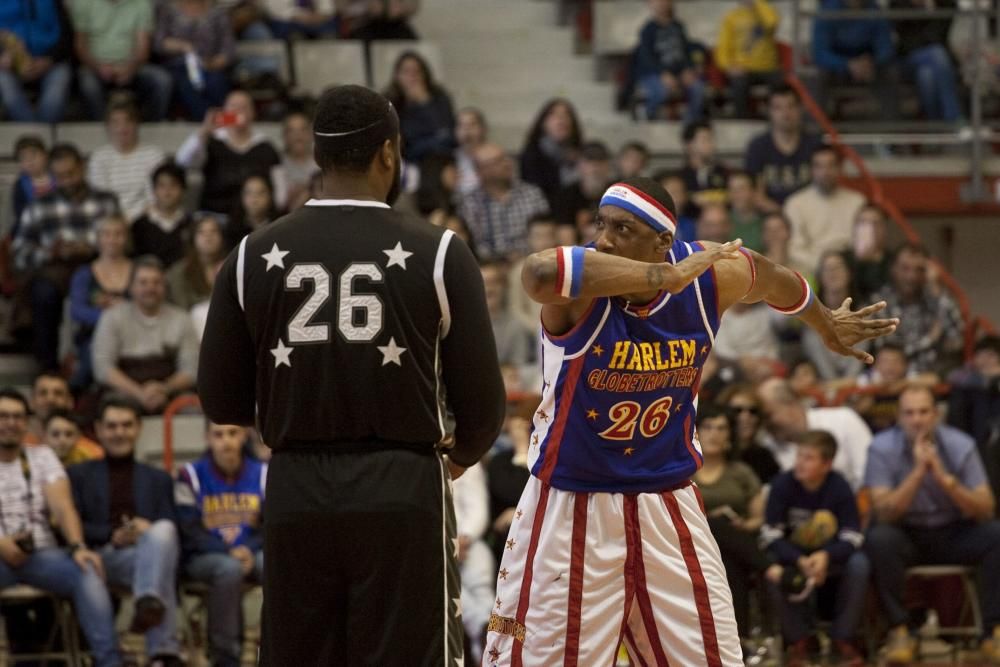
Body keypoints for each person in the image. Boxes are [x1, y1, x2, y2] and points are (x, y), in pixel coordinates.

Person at [484, 174, 896, 665]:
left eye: (623, 229)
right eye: (601, 225)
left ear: (664, 241)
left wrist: (822, 319)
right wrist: (662, 278)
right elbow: (535, 274)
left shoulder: (707, 276)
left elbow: (767, 274)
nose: (605, 240)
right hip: (574, 503)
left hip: (668, 499)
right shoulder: (582, 289)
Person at [197, 85, 507, 664]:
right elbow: (484, 406)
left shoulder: (249, 254)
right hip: (402, 486)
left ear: (316, 155)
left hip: (294, 487)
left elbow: (220, 399)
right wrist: (461, 453)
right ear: (388, 153)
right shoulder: (440, 252)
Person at [864, 384, 1000, 664]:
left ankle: (992, 632)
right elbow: (884, 512)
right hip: (907, 534)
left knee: (996, 534)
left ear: (936, 414)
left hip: (952, 532)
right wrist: (917, 473)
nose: (917, 419)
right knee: (879, 538)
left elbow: (986, 509)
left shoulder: (961, 444)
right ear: (899, 417)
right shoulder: (880, 448)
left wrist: (944, 478)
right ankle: (901, 630)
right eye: (909, 413)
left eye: (924, 412)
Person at [0, 388, 122, 667]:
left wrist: (78, 546)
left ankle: (109, 661)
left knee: (88, 569)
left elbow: (63, 507)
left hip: (41, 555)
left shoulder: (42, 456)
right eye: (3, 416)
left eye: (17, 417)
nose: (10, 422)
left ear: (28, 423)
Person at [67, 395, 182, 665]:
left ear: (139, 428)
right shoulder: (79, 475)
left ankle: (147, 603)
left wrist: (146, 529)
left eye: (126, 425)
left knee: (163, 531)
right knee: (158, 565)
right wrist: (112, 534)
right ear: (97, 429)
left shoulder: (158, 479)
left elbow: (173, 531)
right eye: (112, 426)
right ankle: (163, 653)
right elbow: (73, 527)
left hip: (147, 557)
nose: (119, 433)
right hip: (102, 558)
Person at [761, 430, 869, 666]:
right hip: (793, 558)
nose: (799, 463)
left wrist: (826, 555)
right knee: (771, 569)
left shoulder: (839, 487)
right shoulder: (782, 484)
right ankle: (800, 641)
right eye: (799, 456)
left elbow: (852, 536)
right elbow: (770, 536)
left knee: (859, 564)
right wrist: (799, 559)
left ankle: (843, 639)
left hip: (830, 558)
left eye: (808, 458)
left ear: (827, 464)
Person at [13, 143, 121, 372]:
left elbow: (123, 240)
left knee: (108, 293)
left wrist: (91, 247)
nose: (67, 181)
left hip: (98, 268)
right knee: (43, 293)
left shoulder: (106, 201)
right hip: (55, 270)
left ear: (82, 168)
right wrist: (52, 252)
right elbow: (20, 251)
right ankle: (48, 368)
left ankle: (93, 366)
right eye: (60, 176)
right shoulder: (39, 206)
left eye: (71, 174)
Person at [175, 421, 267, 667]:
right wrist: (228, 551)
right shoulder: (189, 476)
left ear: (244, 436)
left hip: (253, 551)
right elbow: (188, 529)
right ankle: (226, 657)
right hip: (204, 556)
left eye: (232, 433)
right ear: (207, 438)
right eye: (218, 434)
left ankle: (282, 645)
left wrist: (249, 548)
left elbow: (274, 524)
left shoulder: (264, 473)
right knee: (228, 569)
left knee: (275, 562)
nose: (226, 441)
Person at [692, 405, 773, 644]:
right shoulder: (684, 471)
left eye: (722, 428)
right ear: (695, 432)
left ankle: (736, 640)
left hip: (734, 544)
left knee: (727, 559)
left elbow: (758, 519)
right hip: (692, 542)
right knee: (714, 523)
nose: (714, 434)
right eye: (707, 427)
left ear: (730, 435)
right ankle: (769, 568)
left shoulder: (741, 472)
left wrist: (742, 523)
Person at [92, 256, 199, 414]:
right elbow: (103, 368)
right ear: (131, 287)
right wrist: (139, 393)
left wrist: (164, 389)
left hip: (170, 391)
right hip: (124, 392)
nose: (150, 288)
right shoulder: (112, 317)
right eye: (143, 282)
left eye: (156, 282)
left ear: (165, 286)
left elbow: (191, 369)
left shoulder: (181, 319)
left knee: (193, 410)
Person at [176, 90, 281, 216]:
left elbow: (280, 190)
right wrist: (205, 131)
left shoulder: (265, 146)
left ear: (253, 113)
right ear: (224, 111)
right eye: (233, 106)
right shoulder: (211, 141)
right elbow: (182, 161)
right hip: (215, 215)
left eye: (244, 107)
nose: (238, 111)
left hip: (253, 218)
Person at [758, 377, 873, 490]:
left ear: (791, 404)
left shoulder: (844, 420)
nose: (765, 424)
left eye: (768, 416)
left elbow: (870, 474)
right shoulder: (766, 447)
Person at [870, 242, 964, 376]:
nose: (911, 277)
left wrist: (936, 289)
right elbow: (891, 351)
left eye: (919, 270)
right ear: (893, 269)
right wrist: (930, 339)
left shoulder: (935, 299)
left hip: (933, 377)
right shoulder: (880, 301)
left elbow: (957, 340)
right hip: (895, 379)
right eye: (905, 268)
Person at [71, 0, 172, 121]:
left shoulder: (141, 3)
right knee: (88, 84)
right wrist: (98, 67)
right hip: (94, 66)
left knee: (162, 80)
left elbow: (143, 47)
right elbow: (80, 46)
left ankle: (152, 127)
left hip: (132, 66)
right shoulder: (83, 3)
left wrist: (130, 67)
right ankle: (103, 128)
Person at [68, 215, 133, 390]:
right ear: (98, 239)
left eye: (118, 234)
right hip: (93, 336)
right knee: (90, 367)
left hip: (133, 336)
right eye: (107, 234)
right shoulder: (84, 274)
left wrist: (124, 311)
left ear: (126, 238)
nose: (112, 239)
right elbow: (77, 311)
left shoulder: (138, 270)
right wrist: (111, 316)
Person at [459, 143, 550, 261]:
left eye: (506, 158)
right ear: (481, 171)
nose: (507, 163)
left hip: (529, 261)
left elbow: (546, 232)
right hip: (489, 265)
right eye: (498, 161)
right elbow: (473, 242)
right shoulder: (470, 203)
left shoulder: (532, 194)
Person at [784, 146, 866, 273]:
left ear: (839, 169)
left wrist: (843, 267)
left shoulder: (857, 201)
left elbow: (863, 245)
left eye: (830, 166)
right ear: (811, 170)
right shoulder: (795, 203)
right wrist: (825, 267)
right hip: (813, 268)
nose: (825, 172)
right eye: (819, 166)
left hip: (851, 267)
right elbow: (795, 249)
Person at [745, 83, 825, 212]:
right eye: (778, 108)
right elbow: (756, 196)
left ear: (800, 109)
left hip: (811, 216)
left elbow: (824, 189)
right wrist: (783, 215)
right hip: (770, 220)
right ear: (769, 112)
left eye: (791, 106)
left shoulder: (815, 145)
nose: (785, 113)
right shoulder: (757, 147)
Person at [812, 0, 898, 120]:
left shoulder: (875, 10)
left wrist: (872, 62)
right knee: (819, 76)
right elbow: (820, 54)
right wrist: (847, 64)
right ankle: (816, 130)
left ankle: (892, 129)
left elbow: (886, 48)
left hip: (869, 67)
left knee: (890, 73)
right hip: (838, 68)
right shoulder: (828, 11)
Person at [154, 0, 236, 121]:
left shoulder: (218, 12)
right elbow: (159, 43)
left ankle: (224, 121)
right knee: (188, 84)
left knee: (217, 82)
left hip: (209, 64)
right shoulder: (168, 10)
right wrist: (183, 46)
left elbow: (229, 50)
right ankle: (214, 122)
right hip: (179, 64)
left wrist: (213, 63)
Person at [86, 99, 166, 222]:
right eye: (116, 123)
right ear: (108, 127)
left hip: (146, 219)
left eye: (128, 122)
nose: (122, 128)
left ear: (136, 124)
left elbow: (154, 197)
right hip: (111, 222)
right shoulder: (99, 157)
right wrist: (121, 223)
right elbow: (101, 199)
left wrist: (133, 220)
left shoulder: (154, 155)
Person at [0, 0, 73, 124]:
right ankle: (36, 136)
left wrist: (48, 61)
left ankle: (36, 136)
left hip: (49, 62)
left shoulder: (53, 2)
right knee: (4, 83)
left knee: (57, 89)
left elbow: (67, 38)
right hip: (12, 65)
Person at [634, 0, 706, 122]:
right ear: (651, 5)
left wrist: (688, 69)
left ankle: (690, 120)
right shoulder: (647, 30)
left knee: (697, 87)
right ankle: (647, 112)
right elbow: (646, 58)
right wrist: (662, 74)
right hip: (654, 73)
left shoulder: (678, 27)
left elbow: (685, 51)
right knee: (660, 91)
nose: (662, 3)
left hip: (678, 72)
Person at [891, 0, 961, 122]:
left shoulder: (945, 4)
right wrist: (915, 7)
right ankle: (954, 119)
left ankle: (934, 126)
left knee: (926, 75)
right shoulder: (900, 3)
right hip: (908, 60)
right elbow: (905, 41)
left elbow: (938, 35)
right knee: (937, 53)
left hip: (936, 65)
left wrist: (930, 10)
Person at [802, 250, 865, 382]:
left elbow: (859, 363)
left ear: (849, 273)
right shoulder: (811, 316)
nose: (833, 273)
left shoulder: (864, 314)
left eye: (838, 267)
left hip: (857, 385)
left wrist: (848, 387)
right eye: (827, 269)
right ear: (820, 277)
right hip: (825, 386)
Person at [384, 51, 457, 164]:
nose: (412, 77)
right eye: (406, 72)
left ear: (425, 75)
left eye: (417, 71)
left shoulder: (440, 99)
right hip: (407, 164)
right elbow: (403, 148)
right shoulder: (391, 104)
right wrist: (433, 141)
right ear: (397, 76)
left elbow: (448, 136)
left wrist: (424, 102)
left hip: (440, 159)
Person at [714, 0, 783, 118]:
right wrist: (729, 66)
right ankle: (742, 120)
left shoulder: (767, 12)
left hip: (768, 67)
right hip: (742, 68)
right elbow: (722, 48)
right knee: (738, 81)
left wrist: (758, 2)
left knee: (779, 80)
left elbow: (772, 23)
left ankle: (776, 116)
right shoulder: (731, 17)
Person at [519, 98, 583, 206]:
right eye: (554, 114)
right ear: (543, 123)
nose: (561, 119)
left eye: (567, 114)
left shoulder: (581, 155)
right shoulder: (531, 156)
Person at [131, 162, 194, 267]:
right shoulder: (139, 225)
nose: (167, 191)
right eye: (162, 185)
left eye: (173, 185)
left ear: (183, 190)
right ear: (154, 190)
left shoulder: (191, 224)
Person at [719, 383, 781, 484]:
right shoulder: (711, 453)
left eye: (753, 411)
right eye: (737, 410)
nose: (745, 417)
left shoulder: (765, 458)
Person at [167, 214, 226, 310]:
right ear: (193, 238)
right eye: (201, 232)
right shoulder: (180, 271)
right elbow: (181, 307)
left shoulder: (232, 267)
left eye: (214, 231)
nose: (208, 236)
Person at [552, 141, 614, 231]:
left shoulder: (618, 194)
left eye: (600, 162)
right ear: (580, 165)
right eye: (589, 162)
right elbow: (564, 235)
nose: (595, 168)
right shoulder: (566, 195)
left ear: (608, 166)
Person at [271, 111, 319, 211]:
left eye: (303, 130)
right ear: (284, 136)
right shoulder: (276, 163)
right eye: (291, 131)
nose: (298, 136)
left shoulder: (323, 162)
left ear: (311, 133)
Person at [681, 121, 729, 215]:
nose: (711, 145)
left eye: (711, 139)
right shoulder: (679, 178)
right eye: (705, 139)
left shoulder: (725, 172)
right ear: (689, 145)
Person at [10, 136, 53, 229]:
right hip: (31, 225)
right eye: (23, 158)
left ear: (45, 156)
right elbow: (20, 213)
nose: (29, 161)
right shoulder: (20, 185)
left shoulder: (58, 177)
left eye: (33, 155)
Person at [851, 203, 892, 299]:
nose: (870, 229)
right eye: (863, 223)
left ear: (884, 229)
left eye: (875, 224)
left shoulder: (895, 262)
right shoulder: (843, 260)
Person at [227, 175, 277, 247]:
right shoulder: (232, 229)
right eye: (249, 193)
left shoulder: (279, 226)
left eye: (260, 193)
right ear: (241, 197)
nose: (254, 199)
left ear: (270, 196)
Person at [336, 0, 419, 41]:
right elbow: (341, 8)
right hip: (365, 26)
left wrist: (400, 7)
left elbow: (413, 7)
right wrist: (367, 7)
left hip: (397, 26)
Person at [728, 170, 764, 252]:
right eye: (732, 189)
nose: (735, 194)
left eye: (741, 189)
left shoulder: (767, 223)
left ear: (754, 192)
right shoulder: (721, 222)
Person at [455, 107, 488, 196]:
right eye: (461, 126)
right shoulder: (450, 159)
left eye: (472, 125)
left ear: (483, 129)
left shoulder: (495, 157)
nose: (466, 130)